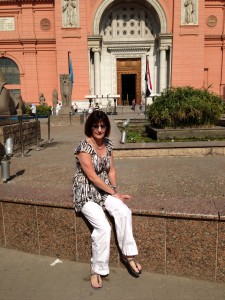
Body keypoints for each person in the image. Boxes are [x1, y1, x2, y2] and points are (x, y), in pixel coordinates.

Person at [72, 111, 142, 289]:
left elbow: (111, 170)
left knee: (124, 211)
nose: (99, 129)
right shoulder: (83, 147)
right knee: (103, 228)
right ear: (90, 127)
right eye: (96, 126)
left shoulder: (108, 145)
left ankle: (128, 255)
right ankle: (97, 268)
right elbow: (93, 177)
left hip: (104, 190)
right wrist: (113, 192)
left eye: (103, 125)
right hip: (86, 191)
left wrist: (115, 192)